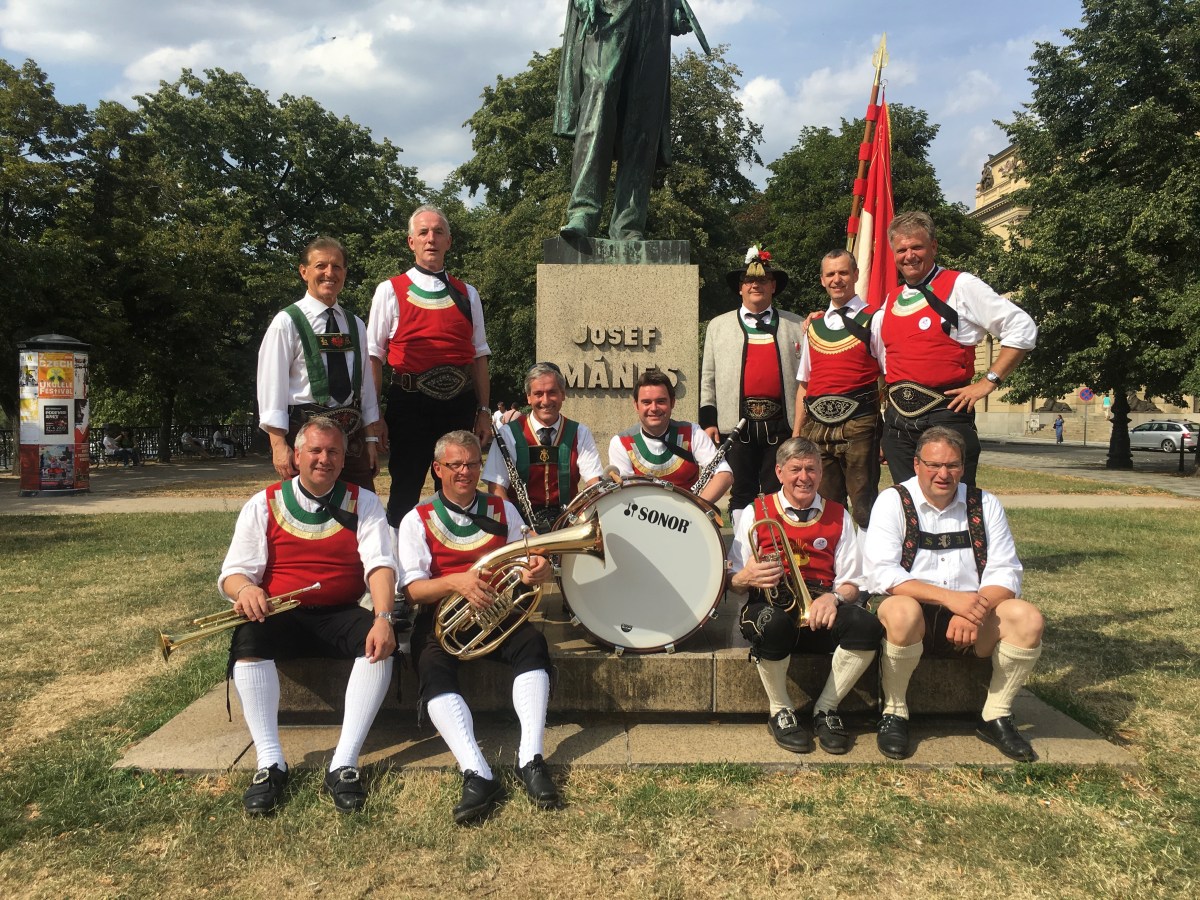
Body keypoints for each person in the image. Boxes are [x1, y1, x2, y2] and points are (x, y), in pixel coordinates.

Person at [218, 417, 399, 814]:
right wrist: (246, 590)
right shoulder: (263, 502)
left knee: (379, 644)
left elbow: (380, 565)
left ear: (343, 458)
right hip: (280, 613)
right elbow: (233, 573)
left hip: (340, 612)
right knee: (248, 640)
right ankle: (270, 763)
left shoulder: (364, 502)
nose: (324, 459)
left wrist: (384, 617)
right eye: (315, 450)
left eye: (333, 451)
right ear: (296, 456)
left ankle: (344, 763)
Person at [397, 430, 560, 825]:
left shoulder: (503, 509)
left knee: (532, 645)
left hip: (499, 613)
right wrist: (456, 583)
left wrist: (537, 566)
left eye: (472, 463)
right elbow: (413, 590)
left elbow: (529, 553)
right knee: (431, 665)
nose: (465, 472)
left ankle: (530, 758)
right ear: (437, 469)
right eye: (454, 464)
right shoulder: (416, 518)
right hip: (442, 620)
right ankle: (477, 772)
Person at [863, 426, 1045, 761]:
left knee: (1027, 618)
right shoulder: (893, 501)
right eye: (933, 465)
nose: (943, 474)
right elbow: (882, 573)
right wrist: (950, 599)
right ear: (916, 464)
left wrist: (973, 610)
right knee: (900, 609)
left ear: (963, 467)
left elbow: (1006, 571)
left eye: (952, 465)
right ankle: (894, 711)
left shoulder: (985, 503)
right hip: (916, 615)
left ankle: (996, 715)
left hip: (974, 615)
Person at [728, 438, 882, 754]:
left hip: (820, 607)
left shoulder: (839, 514)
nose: (804, 477)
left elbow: (853, 582)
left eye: (811, 469)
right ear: (779, 472)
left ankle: (826, 708)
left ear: (821, 473)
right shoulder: (755, 511)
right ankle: (780, 709)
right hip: (770, 606)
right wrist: (745, 577)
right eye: (795, 469)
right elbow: (733, 581)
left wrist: (834, 598)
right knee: (772, 623)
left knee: (867, 626)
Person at [876, 211, 1037, 485]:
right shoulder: (890, 300)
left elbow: (1022, 327)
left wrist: (989, 381)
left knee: (953, 503)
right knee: (908, 503)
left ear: (933, 246)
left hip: (945, 417)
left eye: (917, 247)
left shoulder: (960, 285)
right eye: (901, 250)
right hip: (897, 425)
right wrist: (822, 317)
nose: (909, 256)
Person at [368, 205, 492, 526]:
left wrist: (483, 410)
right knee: (404, 491)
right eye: (423, 232)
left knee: (458, 489)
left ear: (449, 241)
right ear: (411, 242)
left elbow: (479, 355)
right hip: (409, 406)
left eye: (438, 232)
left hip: (458, 405)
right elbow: (373, 358)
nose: (431, 238)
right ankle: (399, 553)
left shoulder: (468, 294)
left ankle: (453, 548)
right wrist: (374, 415)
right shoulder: (389, 290)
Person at [554, 0, 702, 240]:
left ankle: (629, 224)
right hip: (607, 9)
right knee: (600, 90)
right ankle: (583, 211)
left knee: (643, 116)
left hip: (655, 12)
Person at [257, 236, 381, 491]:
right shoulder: (286, 322)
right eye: (321, 266)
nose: (329, 273)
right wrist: (278, 445)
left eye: (337, 267)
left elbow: (366, 388)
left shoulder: (356, 324)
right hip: (306, 438)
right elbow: (272, 387)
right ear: (304, 272)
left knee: (359, 505)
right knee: (310, 509)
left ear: (345, 273)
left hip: (351, 440)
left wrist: (370, 439)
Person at [700, 246, 806, 531]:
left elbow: (806, 378)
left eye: (762, 280)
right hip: (736, 424)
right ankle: (741, 545)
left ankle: (776, 544)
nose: (755, 285)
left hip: (781, 424)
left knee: (779, 489)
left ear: (773, 286)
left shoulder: (797, 324)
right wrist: (708, 420)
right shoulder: (718, 326)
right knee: (741, 490)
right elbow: (708, 376)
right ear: (740, 288)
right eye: (749, 280)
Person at [792, 249, 885, 530]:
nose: (837, 279)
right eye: (830, 274)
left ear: (855, 275)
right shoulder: (814, 326)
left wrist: (886, 433)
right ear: (822, 280)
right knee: (825, 506)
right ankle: (834, 556)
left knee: (864, 507)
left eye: (843, 272)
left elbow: (888, 376)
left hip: (860, 423)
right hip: (816, 426)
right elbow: (805, 384)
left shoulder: (875, 319)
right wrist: (797, 434)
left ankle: (869, 557)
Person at [484, 362, 603, 532]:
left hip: (567, 524)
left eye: (552, 392)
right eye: (538, 394)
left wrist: (579, 520)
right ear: (528, 397)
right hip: (520, 526)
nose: (545, 401)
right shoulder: (508, 433)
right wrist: (520, 529)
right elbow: (496, 489)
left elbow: (594, 483)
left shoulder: (580, 432)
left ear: (563, 394)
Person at [609, 369, 733, 505]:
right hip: (641, 515)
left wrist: (696, 508)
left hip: (689, 514)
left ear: (672, 402)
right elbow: (626, 495)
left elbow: (724, 475)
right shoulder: (620, 442)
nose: (654, 408)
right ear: (636, 405)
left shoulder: (693, 432)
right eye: (646, 402)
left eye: (661, 401)